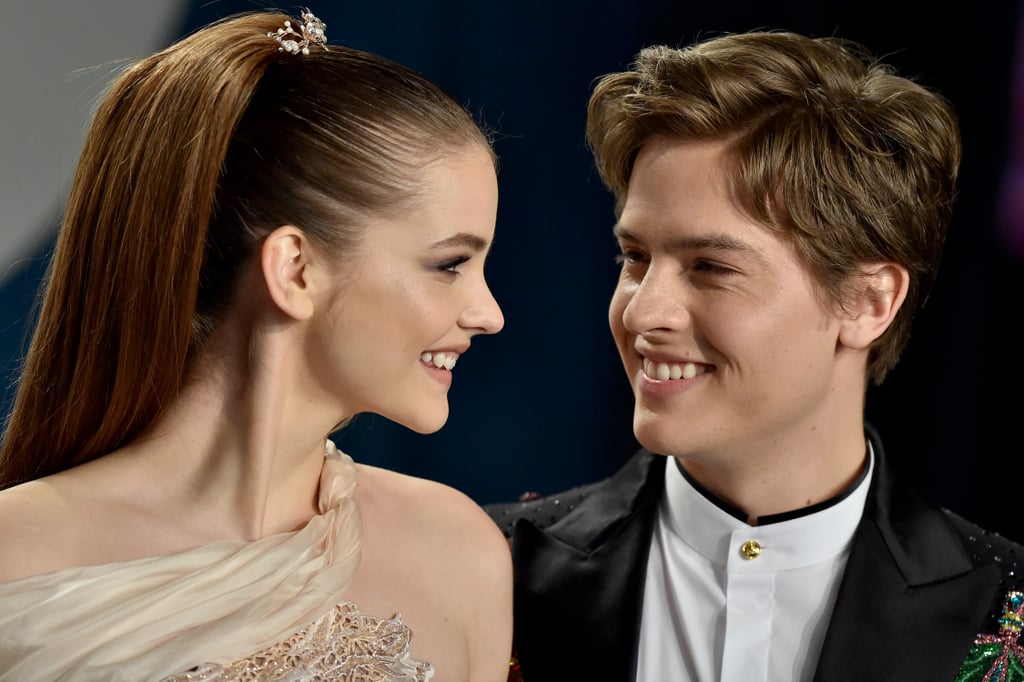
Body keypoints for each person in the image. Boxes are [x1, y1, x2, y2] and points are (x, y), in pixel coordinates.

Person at [487, 30, 1024, 681]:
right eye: (635, 258)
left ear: (867, 302)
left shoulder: (1007, 612)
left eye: (711, 267)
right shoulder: (492, 571)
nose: (642, 312)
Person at [0, 8, 512, 681]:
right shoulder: (17, 559)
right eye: (449, 265)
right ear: (295, 270)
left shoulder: (458, 551)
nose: (489, 314)